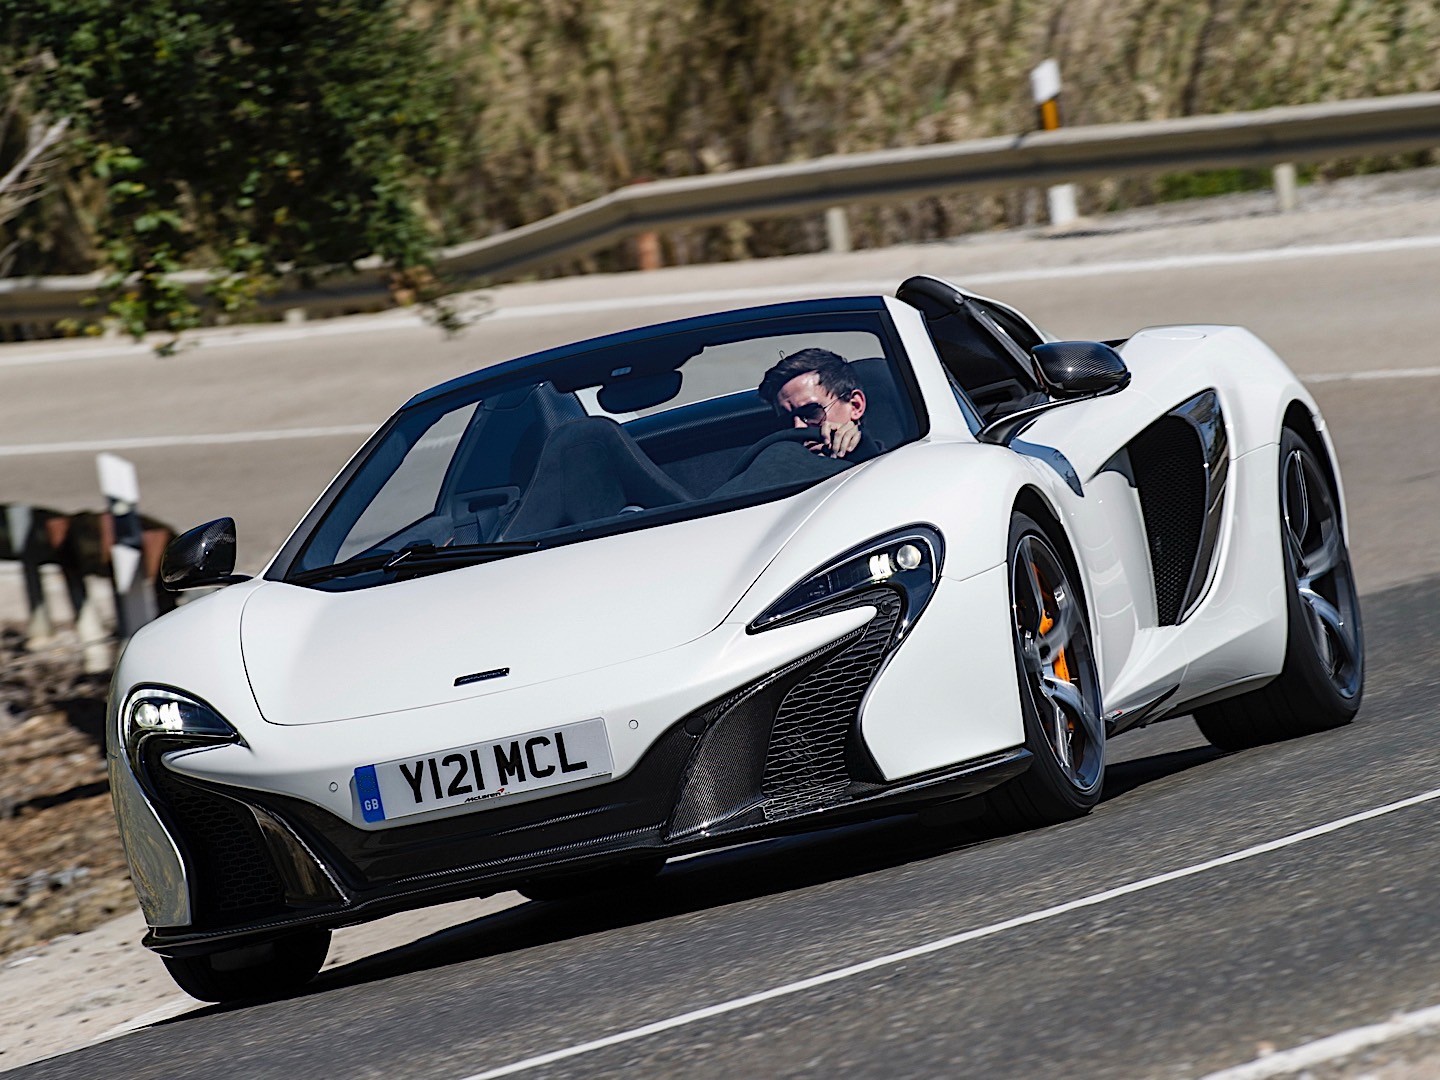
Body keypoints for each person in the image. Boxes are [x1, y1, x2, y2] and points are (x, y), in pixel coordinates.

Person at [758, 348, 881, 462]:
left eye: (811, 412)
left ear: (855, 406)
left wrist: (864, 454)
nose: (798, 427)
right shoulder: (778, 467)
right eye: (786, 422)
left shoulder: (892, 464)